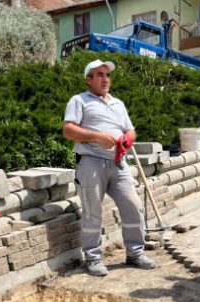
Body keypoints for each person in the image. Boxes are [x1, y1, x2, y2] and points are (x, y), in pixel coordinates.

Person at [62, 59, 156, 277]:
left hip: (118, 163)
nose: (105, 79)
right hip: (91, 161)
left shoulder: (118, 104)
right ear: (88, 79)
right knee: (93, 212)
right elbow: (68, 130)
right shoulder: (79, 101)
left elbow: (131, 131)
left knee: (133, 205)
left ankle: (135, 254)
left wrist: (126, 139)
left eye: (107, 75)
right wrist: (98, 137)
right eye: (99, 75)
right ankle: (93, 258)